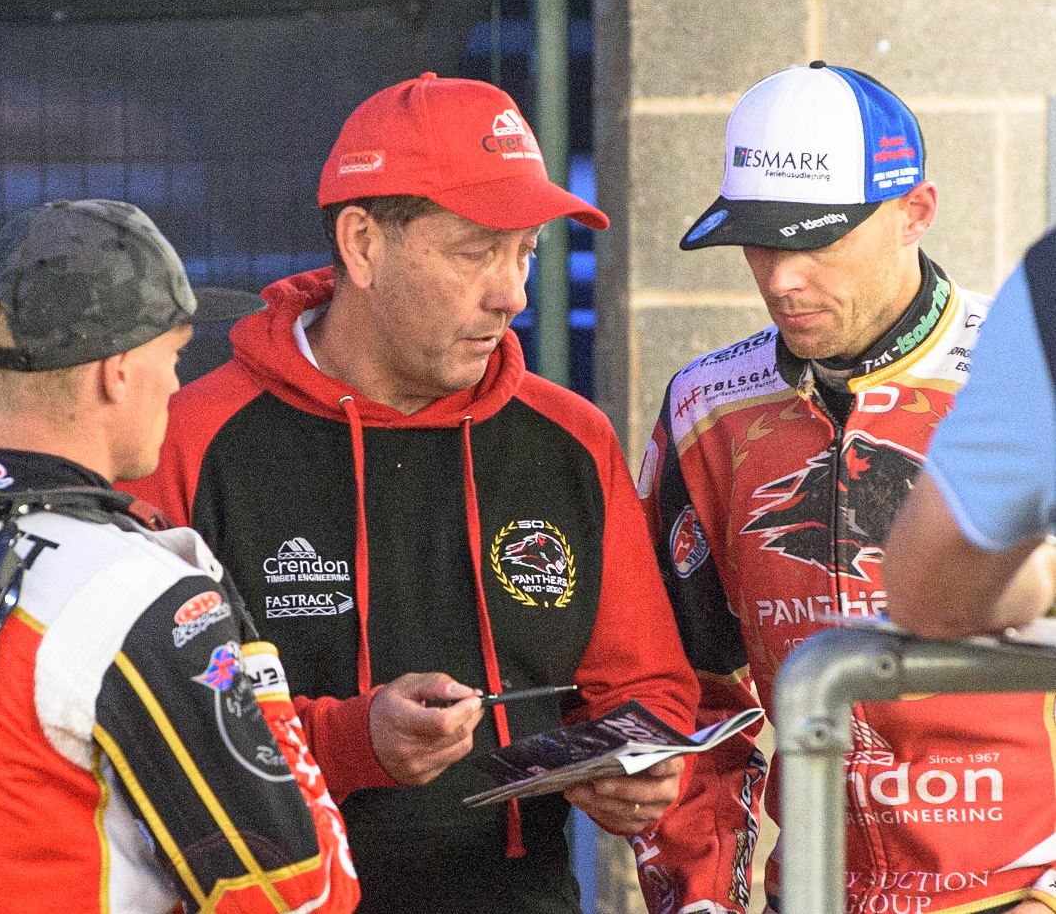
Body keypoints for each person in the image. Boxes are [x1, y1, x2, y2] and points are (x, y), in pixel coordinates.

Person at [124, 73, 700, 914]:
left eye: (525, 250)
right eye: (475, 250)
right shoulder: (188, 436)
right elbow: (140, 727)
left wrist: (637, 760)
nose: (511, 292)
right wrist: (353, 742)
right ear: (361, 243)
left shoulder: (572, 438)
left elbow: (642, 682)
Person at [0, 199, 359, 914]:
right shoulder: (134, 586)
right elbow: (300, 893)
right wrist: (258, 669)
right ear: (118, 371)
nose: (177, 385)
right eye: (174, 355)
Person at [635, 63, 1056, 914]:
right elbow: (687, 693)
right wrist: (701, 899)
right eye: (758, 240)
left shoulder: (1021, 370)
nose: (781, 278)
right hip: (816, 892)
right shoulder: (703, 408)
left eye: (816, 239)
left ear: (914, 211)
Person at [884, 228, 1056, 637]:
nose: (783, 281)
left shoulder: (1044, 287)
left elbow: (930, 594)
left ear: (917, 211)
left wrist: (1046, 577)